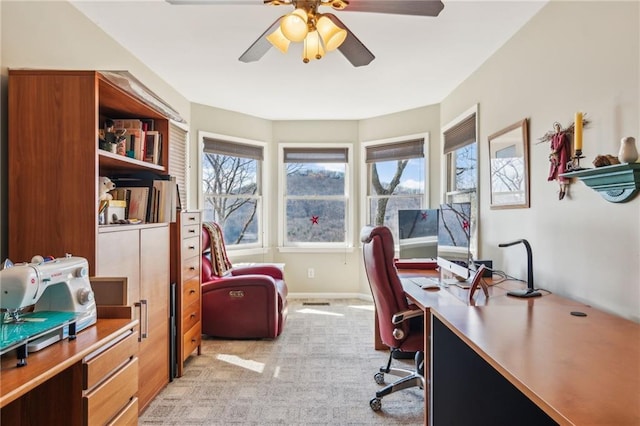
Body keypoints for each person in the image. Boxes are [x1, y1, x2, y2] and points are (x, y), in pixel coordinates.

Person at [547, 122, 571, 200]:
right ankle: (560, 189)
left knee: (562, 170)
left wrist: (555, 150)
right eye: (555, 128)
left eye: (558, 127)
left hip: (561, 154)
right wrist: (553, 151)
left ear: (559, 128)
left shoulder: (562, 135)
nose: (557, 129)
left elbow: (560, 144)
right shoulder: (553, 137)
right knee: (556, 171)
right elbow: (552, 145)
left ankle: (563, 190)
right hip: (555, 155)